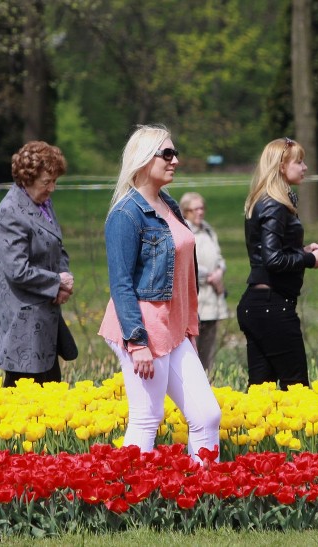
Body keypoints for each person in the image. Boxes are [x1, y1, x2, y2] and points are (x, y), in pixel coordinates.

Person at [98, 124, 221, 462]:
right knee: (147, 418)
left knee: (207, 415)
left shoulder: (168, 205)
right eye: (167, 154)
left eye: (175, 153)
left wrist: (188, 329)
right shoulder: (126, 214)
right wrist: (136, 343)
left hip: (174, 329)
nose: (175, 160)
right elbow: (121, 283)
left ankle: (207, 494)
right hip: (143, 328)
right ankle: (129, 499)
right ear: (142, 159)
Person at [236, 138, 318, 390]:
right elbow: (273, 259)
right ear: (280, 166)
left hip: (256, 306)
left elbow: (269, 252)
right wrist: (310, 259)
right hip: (272, 307)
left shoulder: (265, 200)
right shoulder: (274, 204)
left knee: (261, 393)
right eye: (299, 161)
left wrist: (302, 250)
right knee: (296, 389)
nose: (305, 167)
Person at [0, 141, 75, 388]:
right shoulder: (10, 213)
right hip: (21, 322)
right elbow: (17, 270)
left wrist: (64, 278)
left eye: (54, 181)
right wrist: (56, 283)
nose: (52, 188)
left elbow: (57, 245)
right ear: (26, 178)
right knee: (23, 398)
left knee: (50, 391)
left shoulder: (42, 203)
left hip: (45, 317)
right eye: (47, 182)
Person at [178, 192, 229, 374]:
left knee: (208, 355)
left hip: (212, 300)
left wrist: (219, 271)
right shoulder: (184, 231)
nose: (200, 212)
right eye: (195, 209)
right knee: (193, 354)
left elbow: (219, 257)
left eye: (202, 208)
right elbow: (185, 264)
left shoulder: (208, 230)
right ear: (185, 211)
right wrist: (209, 276)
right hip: (195, 300)